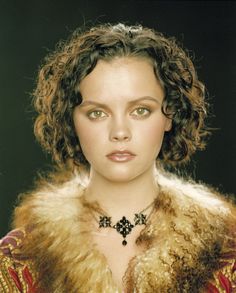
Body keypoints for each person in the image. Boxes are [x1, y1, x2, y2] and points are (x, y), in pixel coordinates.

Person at [0, 23, 235, 293]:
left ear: (169, 115)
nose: (120, 132)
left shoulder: (226, 255)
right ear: (72, 120)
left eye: (141, 111)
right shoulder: (17, 262)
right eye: (97, 113)